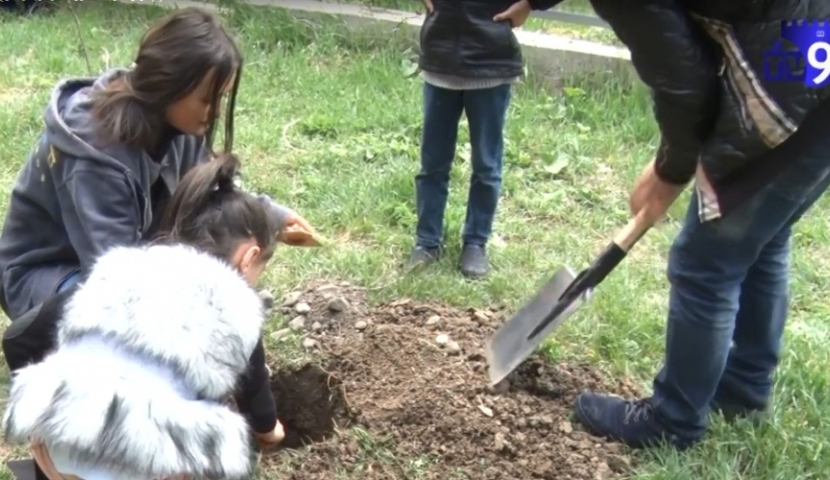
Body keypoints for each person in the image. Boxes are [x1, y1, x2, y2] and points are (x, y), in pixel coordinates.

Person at [572, 0, 830, 450]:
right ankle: (744, 390)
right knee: (763, 236)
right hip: (818, 47)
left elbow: (685, 83)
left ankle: (671, 422)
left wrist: (671, 168)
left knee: (704, 262)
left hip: (788, 70)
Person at [0, 7, 313, 367]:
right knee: (134, 338)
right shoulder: (96, 156)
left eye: (221, 99)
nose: (214, 111)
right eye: (208, 98)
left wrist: (270, 216)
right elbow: (115, 278)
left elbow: (208, 194)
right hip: (48, 275)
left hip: (118, 256)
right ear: (171, 86)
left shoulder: (178, 123)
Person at [2, 152, 286, 480]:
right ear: (248, 259)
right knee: (228, 451)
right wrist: (270, 431)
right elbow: (256, 398)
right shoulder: (237, 308)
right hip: (139, 464)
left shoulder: (117, 268)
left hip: (59, 451)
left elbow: (19, 337)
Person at [409, 0, 563, 278]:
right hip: (440, 57)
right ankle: (427, 242)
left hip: (493, 62)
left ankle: (476, 243)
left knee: (486, 164)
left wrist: (531, 3)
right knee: (433, 162)